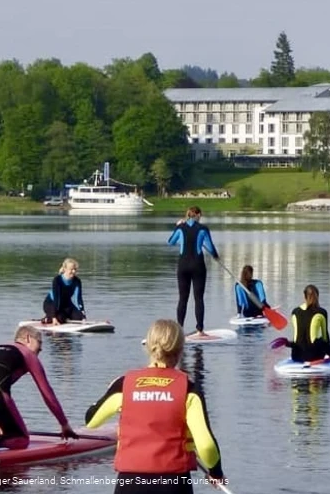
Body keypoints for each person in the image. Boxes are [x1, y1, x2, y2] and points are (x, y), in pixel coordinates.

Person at [84, 319, 226, 493]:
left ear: (148, 347)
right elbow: (206, 446)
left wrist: (109, 391)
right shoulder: (189, 389)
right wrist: (216, 472)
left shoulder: (124, 384)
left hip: (130, 484)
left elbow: (91, 421)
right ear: (180, 350)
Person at [0, 326, 78, 451]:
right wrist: (64, 424)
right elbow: (47, 393)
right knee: (21, 440)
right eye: (39, 345)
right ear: (28, 338)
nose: (40, 351)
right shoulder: (27, 354)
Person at [167, 207, 220, 338]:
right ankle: (200, 330)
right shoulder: (203, 229)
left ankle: (179, 330)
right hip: (198, 267)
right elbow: (211, 248)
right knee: (199, 298)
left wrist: (177, 227)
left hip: (183, 267)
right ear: (197, 215)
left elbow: (170, 242)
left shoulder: (180, 228)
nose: (200, 218)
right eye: (200, 216)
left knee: (182, 299)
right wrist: (216, 256)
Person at [288, 285, 330, 363]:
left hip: (296, 356)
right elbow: (325, 337)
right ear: (317, 297)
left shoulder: (294, 312)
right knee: (326, 341)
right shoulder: (322, 312)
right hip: (314, 357)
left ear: (304, 296)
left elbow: (297, 337)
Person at [42, 258, 86, 325]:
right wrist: (54, 317)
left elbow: (78, 299)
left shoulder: (77, 281)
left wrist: (83, 315)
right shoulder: (57, 280)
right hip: (51, 303)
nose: (73, 271)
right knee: (60, 318)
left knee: (79, 317)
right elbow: (57, 299)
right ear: (65, 269)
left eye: (75, 269)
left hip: (66, 304)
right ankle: (47, 318)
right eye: (71, 269)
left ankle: (64, 317)